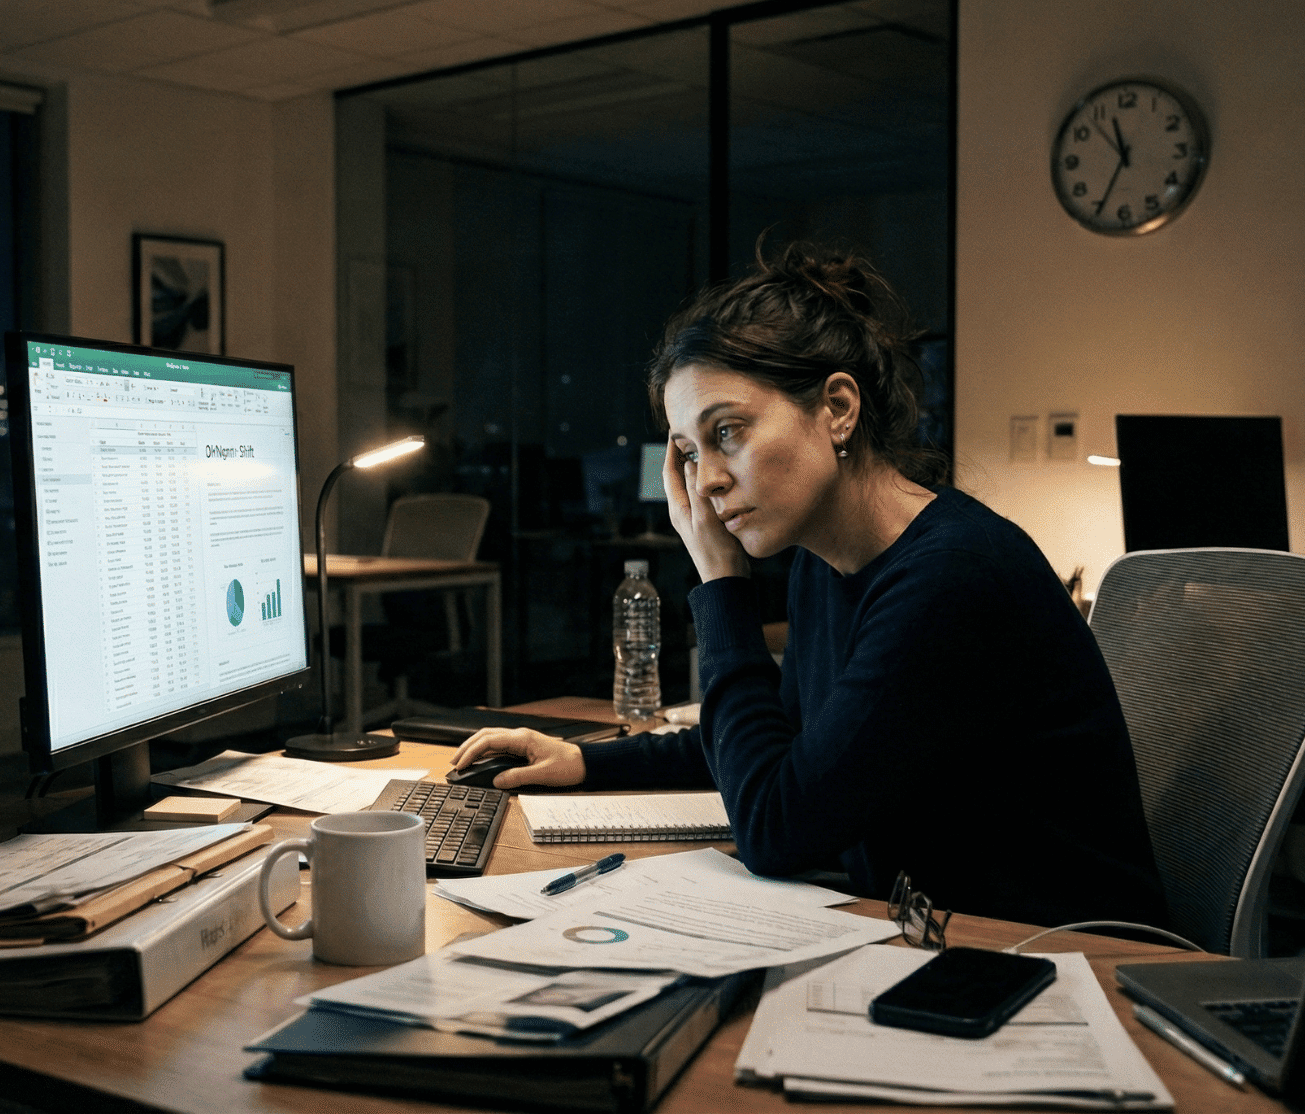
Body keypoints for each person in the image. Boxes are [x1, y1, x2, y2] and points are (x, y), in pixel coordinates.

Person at [453, 245, 1167, 929]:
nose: (706, 482)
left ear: (838, 409)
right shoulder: (826, 561)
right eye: (690, 454)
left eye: (727, 432)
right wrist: (583, 760)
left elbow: (776, 828)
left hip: (1061, 965)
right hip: (934, 934)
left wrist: (722, 582)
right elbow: (790, 740)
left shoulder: (951, 576)